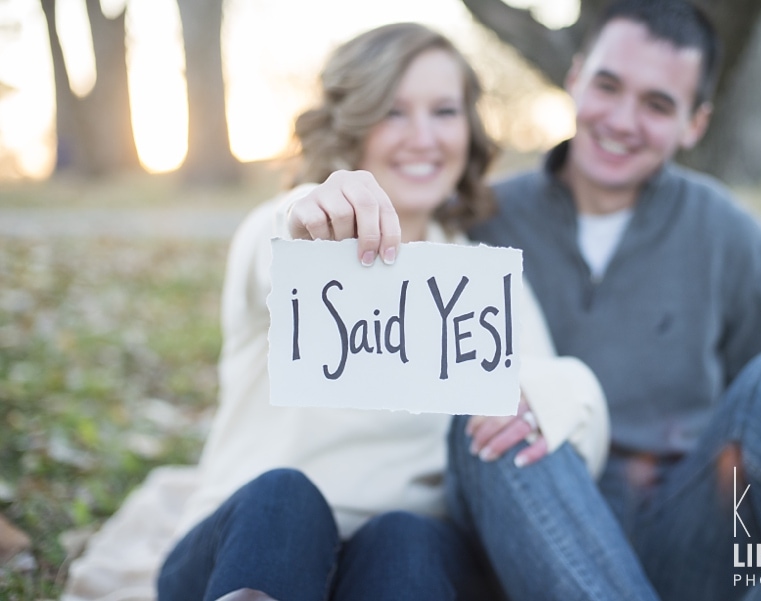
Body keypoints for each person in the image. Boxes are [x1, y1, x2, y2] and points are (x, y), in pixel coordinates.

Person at [286, 1, 761, 600]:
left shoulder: (738, 243)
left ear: (695, 123)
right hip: (530, 522)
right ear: (575, 79)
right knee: (496, 420)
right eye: (608, 86)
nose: (623, 120)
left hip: (688, 536)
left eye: (658, 104)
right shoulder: (479, 223)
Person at [151, 22, 611, 601]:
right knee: (286, 497)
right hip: (247, 550)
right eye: (393, 112)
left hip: (396, 567)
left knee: (408, 536)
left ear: (467, 129)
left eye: (444, 111)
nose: (423, 137)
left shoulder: (479, 278)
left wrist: (559, 393)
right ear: (353, 122)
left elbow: (562, 403)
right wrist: (310, 216)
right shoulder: (289, 229)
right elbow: (278, 248)